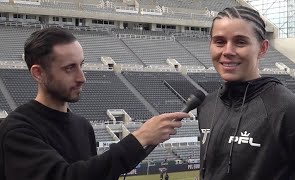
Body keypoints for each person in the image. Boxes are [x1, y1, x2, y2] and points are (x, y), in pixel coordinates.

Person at [0, 27, 189, 180]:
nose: (82, 78)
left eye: (81, 65)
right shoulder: (18, 130)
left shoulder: (82, 126)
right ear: (38, 73)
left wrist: (143, 143)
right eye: (69, 68)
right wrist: (139, 139)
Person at [198, 6, 295, 180]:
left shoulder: (288, 110)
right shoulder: (207, 105)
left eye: (240, 42)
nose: (227, 51)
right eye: (219, 42)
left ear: (262, 48)